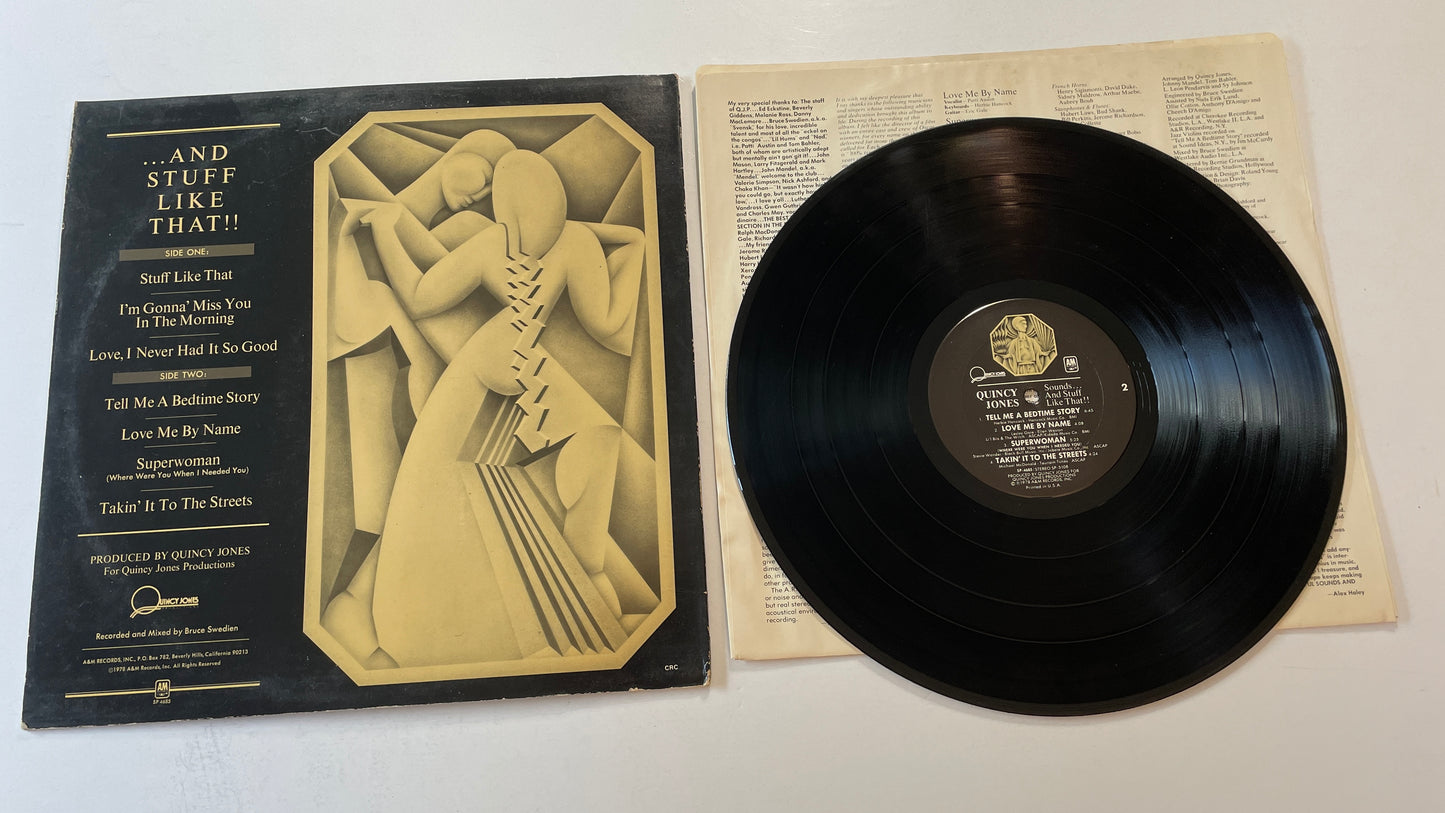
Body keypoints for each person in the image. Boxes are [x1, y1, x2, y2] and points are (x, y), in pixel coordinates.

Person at [321, 143, 652, 669]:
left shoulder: (507, 243)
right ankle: (377, 610)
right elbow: (610, 327)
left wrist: (385, 229)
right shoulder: (570, 241)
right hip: (499, 376)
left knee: (580, 455)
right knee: (477, 485)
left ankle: (580, 586)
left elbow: (421, 295)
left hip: (503, 372)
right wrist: (629, 246)